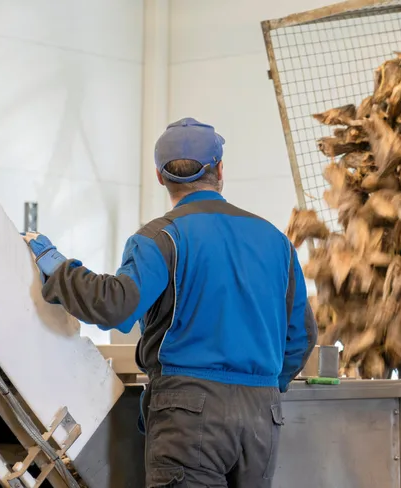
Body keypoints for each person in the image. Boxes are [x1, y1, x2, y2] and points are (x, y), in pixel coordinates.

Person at [22, 117, 317, 487]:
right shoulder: (276, 242)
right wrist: (264, 387)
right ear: (220, 170)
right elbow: (301, 337)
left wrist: (58, 268)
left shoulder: (162, 238)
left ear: (161, 177)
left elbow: (115, 305)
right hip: (261, 417)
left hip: (190, 414)